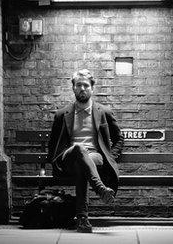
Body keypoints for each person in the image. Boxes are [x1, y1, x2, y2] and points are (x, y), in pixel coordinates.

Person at [46, 68, 124, 233]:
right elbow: (53, 143)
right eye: (79, 85)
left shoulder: (104, 112)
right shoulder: (62, 114)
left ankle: (83, 220)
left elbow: (119, 138)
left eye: (86, 85)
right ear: (73, 88)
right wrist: (53, 160)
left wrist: (111, 156)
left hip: (95, 157)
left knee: (83, 165)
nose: (82, 88)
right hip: (69, 157)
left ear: (92, 88)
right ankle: (100, 188)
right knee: (79, 149)